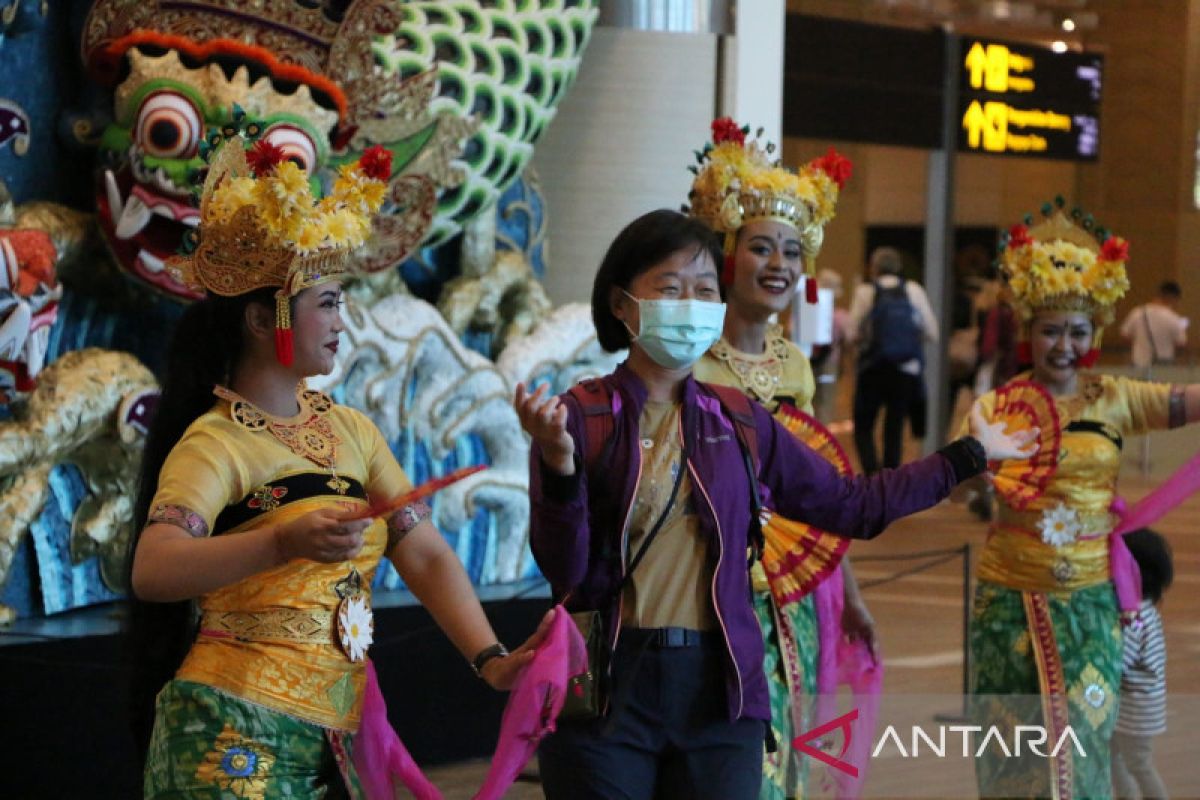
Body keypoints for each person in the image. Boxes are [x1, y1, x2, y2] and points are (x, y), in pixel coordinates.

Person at [516, 207, 1037, 800]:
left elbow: (853, 506)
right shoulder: (580, 417)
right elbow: (565, 571)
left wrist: (966, 457)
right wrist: (559, 468)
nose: (690, 303)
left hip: (720, 688)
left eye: (704, 288)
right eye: (669, 288)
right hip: (609, 690)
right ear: (620, 303)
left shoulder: (739, 421)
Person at [127, 136, 543, 796]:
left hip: (332, 735)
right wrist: (280, 540)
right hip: (232, 723)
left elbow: (424, 552)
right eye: (325, 303)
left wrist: (490, 657)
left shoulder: (351, 431)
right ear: (265, 319)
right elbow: (153, 568)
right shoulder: (217, 440)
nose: (341, 320)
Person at [968, 205, 1200, 799]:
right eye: (1050, 330)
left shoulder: (1116, 397)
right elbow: (957, 482)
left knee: (1086, 750)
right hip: (1007, 602)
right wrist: (974, 463)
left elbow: (1188, 400)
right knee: (1010, 757)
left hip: (1092, 606)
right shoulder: (998, 405)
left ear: (1094, 334)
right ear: (1029, 332)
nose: (1063, 345)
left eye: (1076, 331)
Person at [686, 118, 875, 799]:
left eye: (792, 253)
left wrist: (850, 595)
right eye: (761, 247)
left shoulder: (796, 366)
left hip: (799, 596)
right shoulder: (688, 360)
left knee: (798, 753)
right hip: (710, 591)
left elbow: (819, 488)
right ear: (726, 255)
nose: (778, 266)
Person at [846, 246, 939, 472]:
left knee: (864, 426)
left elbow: (850, 333)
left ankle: (871, 475)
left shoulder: (865, 292)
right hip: (905, 370)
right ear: (898, 268)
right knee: (894, 428)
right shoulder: (913, 290)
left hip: (873, 368)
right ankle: (890, 482)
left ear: (873, 268)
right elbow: (932, 332)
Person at [1111, 528, 1173, 800]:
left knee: (1138, 763)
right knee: (1111, 755)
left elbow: (1120, 661)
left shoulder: (1133, 617)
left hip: (1135, 711)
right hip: (1136, 707)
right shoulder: (1143, 609)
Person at [1119, 280, 1188, 371]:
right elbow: (1181, 343)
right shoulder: (1173, 318)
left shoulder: (1138, 313)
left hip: (1139, 364)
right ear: (1172, 298)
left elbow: (1124, 335)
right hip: (1163, 366)